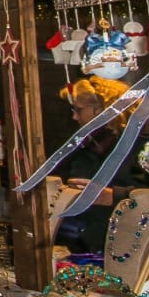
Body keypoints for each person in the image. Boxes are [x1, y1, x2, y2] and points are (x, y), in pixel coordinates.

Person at [56, 76, 136, 253]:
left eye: (79, 110)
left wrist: (114, 196)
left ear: (103, 109)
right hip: (89, 245)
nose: (74, 116)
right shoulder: (88, 147)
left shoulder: (141, 144)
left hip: (131, 247)